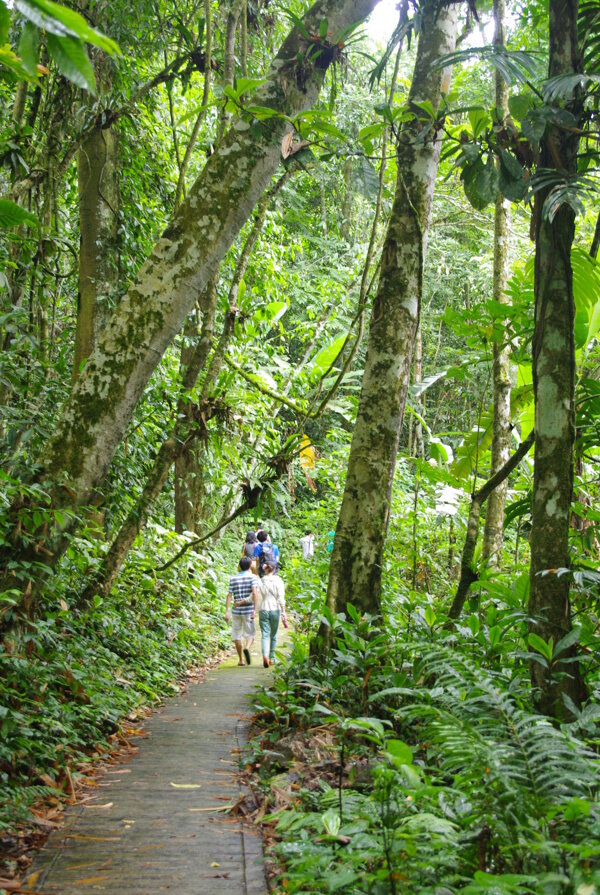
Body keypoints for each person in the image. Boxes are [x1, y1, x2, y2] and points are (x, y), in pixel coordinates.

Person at [225, 556, 258, 665]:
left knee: (237, 635)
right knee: (251, 634)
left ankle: (240, 660)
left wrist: (227, 611)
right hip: (248, 610)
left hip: (236, 611)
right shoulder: (252, 577)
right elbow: (254, 593)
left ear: (239, 566)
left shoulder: (233, 578)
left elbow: (229, 595)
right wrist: (255, 609)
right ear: (250, 566)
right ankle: (247, 648)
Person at [258, 563, 287, 668]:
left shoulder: (260, 581)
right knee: (273, 635)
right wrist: (283, 611)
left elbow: (255, 596)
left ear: (265, 570)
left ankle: (265, 655)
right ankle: (272, 658)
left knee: (265, 635)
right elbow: (281, 597)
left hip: (263, 609)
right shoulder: (278, 580)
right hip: (275, 609)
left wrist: (243, 602)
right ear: (274, 570)